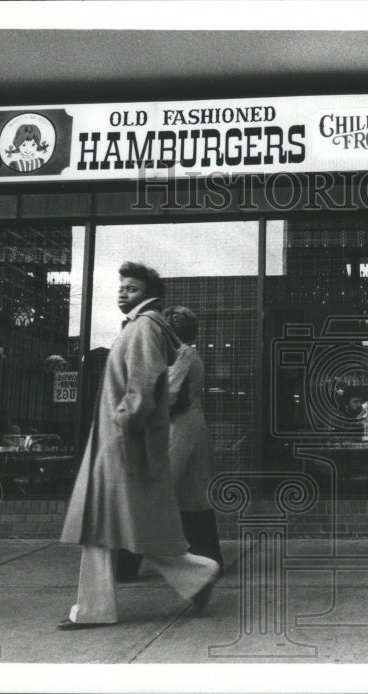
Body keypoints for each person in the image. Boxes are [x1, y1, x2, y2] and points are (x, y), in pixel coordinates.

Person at [58, 262, 218, 630]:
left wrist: (122, 421)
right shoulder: (140, 327)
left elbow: (145, 384)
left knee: (106, 523)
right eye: (121, 287)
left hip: (121, 443)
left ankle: (98, 608)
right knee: (117, 523)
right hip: (120, 442)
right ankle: (195, 576)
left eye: (131, 288)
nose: (122, 292)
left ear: (150, 294)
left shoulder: (144, 327)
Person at [116, 307, 225, 589]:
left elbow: (169, 392)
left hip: (178, 429)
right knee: (192, 495)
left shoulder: (183, 355)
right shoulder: (187, 354)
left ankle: (126, 565)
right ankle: (210, 559)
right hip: (189, 428)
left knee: (152, 491)